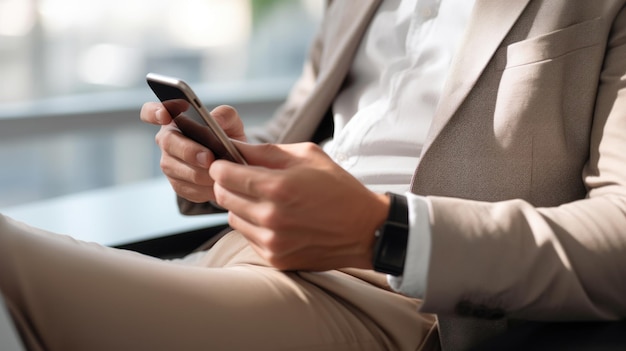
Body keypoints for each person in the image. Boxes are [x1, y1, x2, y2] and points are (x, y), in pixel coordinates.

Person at [2, 0, 626, 350]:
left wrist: (385, 232)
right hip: (236, 259)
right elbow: (306, 142)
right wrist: (217, 163)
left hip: (391, 301)